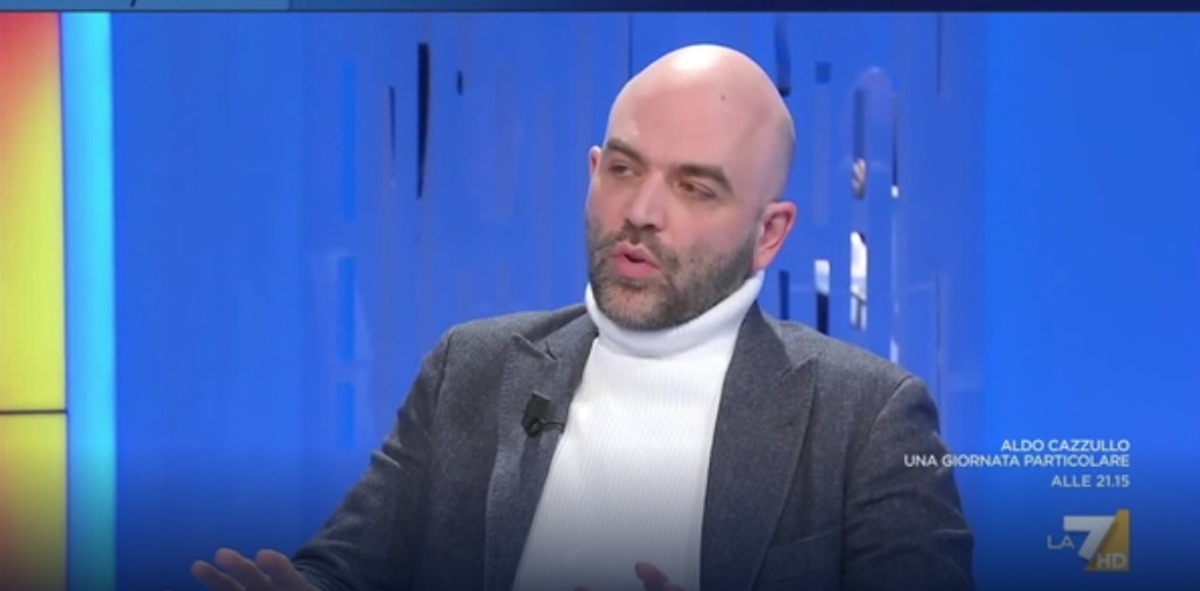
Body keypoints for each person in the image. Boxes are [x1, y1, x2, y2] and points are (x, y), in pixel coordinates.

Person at [191, 44, 973, 591]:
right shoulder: (472, 370)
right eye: (625, 170)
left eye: (695, 188)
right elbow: (349, 569)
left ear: (770, 232)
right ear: (594, 172)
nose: (642, 211)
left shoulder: (866, 419)